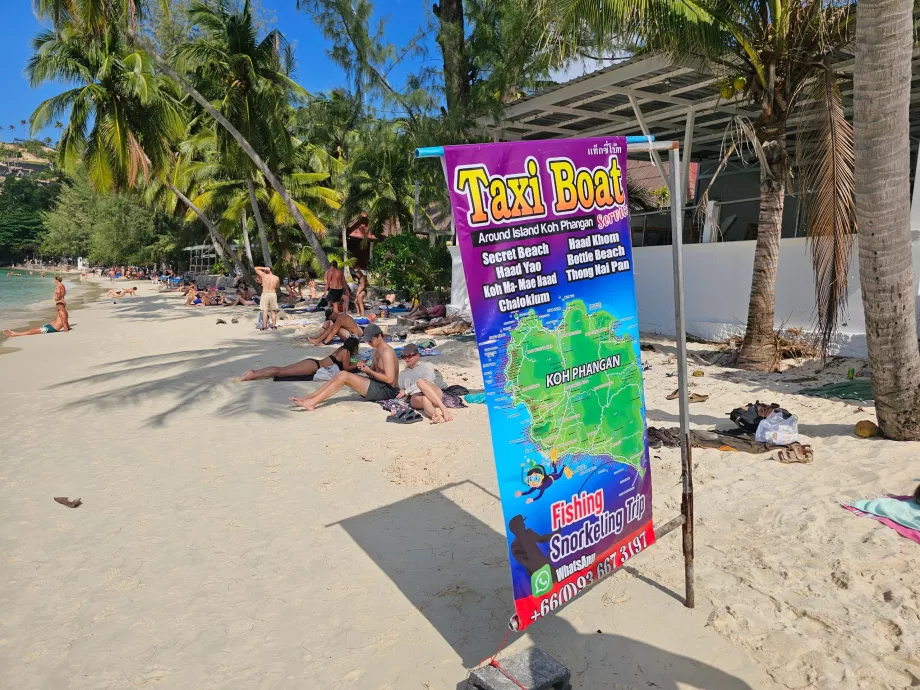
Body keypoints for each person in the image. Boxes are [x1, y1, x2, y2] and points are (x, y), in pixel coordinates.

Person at [290, 324, 399, 410]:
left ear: (379, 336)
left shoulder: (387, 353)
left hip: (387, 391)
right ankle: (309, 398)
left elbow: (389, 379)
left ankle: (312, 403)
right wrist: (366, 369)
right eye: (367, 340)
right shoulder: (376, 351)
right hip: (378, 385)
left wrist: (369, 370)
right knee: (342, 374)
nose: (369, 343)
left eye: (371, 340)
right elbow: (375, 373)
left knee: (345, 376)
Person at [242, 336, 360, 381]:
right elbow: (346, 368)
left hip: (312, 362)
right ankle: (254, 374)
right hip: (313, 366)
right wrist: (359, 364)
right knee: (281, 371)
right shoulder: (346, 352)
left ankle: (256, 372)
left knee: (281, 369)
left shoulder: (340, 349)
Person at [396, 343, 453, 423]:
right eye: (404, 356)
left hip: (433, 392)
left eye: (409, 355)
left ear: (417, 355)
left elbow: (428, 380)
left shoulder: (427, 365)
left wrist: (406, 391)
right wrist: (403, 392)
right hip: (417, 397)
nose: (407, 359)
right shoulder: (403, 373)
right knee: (425, 399)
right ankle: (436, 416)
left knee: (421, 382)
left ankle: (443, 408)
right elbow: (402, 391)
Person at [4, 301, 70, 337]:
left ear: (60, 306)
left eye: (57, 306)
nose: (56, 308)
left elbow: (64, 321)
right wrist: (68, 327)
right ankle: (14, 333)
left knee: (32, 331)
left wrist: (66, 330)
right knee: (33, 329)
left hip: (51, 328)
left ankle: (14, 334)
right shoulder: (64, 311)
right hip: (50, 326)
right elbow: (66, 321)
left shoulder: (61, 312)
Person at [255, 265, 280, 330]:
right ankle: (274, 326)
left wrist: (264, 268)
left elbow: (255, 268)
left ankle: (264, 326)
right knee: (273, 311)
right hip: (273, 294)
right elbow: (277, 286)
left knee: (265, 311)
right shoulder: (276, 278)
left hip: (265, 294)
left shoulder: (264, 275)